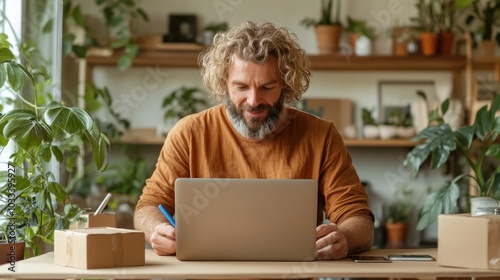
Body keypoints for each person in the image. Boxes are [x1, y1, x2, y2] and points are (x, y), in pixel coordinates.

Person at [134, 21, 374, 260]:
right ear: (224, 84)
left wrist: (343, 236)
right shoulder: (189, 133)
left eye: (267, 87)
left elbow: (359, 219)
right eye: (240, 87)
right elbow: (148, 207)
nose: (253, 100)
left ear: (285, 84)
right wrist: (157, 230)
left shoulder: (321, 136)